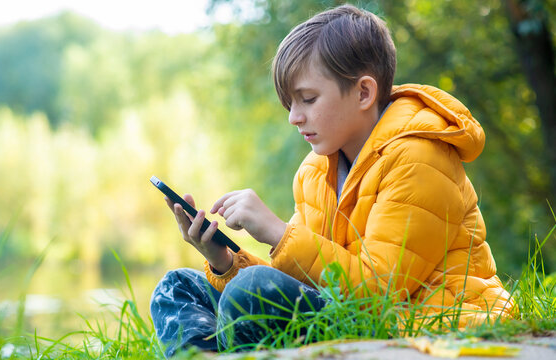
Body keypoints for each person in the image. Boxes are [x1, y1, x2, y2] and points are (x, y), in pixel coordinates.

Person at [150, 3, 512, 357]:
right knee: (178, 287)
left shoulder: (420, 159)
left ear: (364, 93)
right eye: (289, 104)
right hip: (353, 313)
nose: (294, 117)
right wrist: (223, 260)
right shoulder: (315, 170)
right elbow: (299, 283)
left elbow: (378, 292)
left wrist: (277, 232)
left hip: (418, 321)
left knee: (252, 290)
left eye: (307, 99)